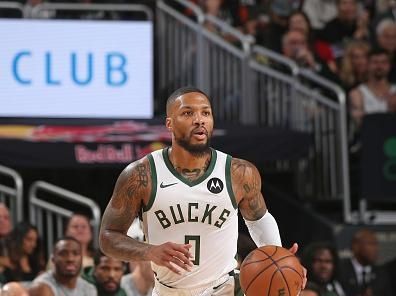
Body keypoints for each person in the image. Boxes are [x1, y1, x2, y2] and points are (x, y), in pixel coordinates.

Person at [99, 86, 306, 295]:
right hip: (169, 291)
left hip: (224, 288)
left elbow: (258, 219)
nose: (199, 120)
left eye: (205, 113)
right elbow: (108, 237)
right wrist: (150, 251)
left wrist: (280, 258)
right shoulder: (140, 175)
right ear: (169, 123)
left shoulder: (239, 172)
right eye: (188, 113)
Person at [29, 236, 97, 296]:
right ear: (53, 259)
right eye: (63, 254)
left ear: (82, 258)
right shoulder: (41, 287)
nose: (70, 259)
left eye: (75, 254)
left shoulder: (89, 288)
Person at [338, 229, 393, 296]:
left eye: (376, 244)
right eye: (371, 244)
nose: (376, 249)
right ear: (356, 246)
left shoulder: (382, 274)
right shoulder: (339, 270)